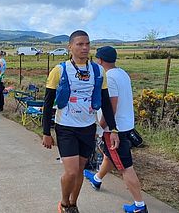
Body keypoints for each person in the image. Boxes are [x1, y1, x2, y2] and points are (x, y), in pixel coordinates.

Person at [41, 30, 120, 213]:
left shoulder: (98, 71)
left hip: (88, 128)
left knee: (80, 169)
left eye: (87, 44)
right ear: (70, 47)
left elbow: (106, 102)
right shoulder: (59, 70)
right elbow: (47, 103)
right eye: (79, 44)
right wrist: (46, 132)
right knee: (71, 171)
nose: (84, 47)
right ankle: (63, 202)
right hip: (66, 127)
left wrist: (113, 129)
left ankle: (73, 204)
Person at [83, 46, 148, 213]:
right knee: (109, 155)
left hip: (115, 130)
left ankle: (139, 206)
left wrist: (102, 127)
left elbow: (111, 106)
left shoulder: (109, 77)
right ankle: (97, 179)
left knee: (126, 166)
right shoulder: (122, 73)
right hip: (126, 125)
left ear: (100, 60)